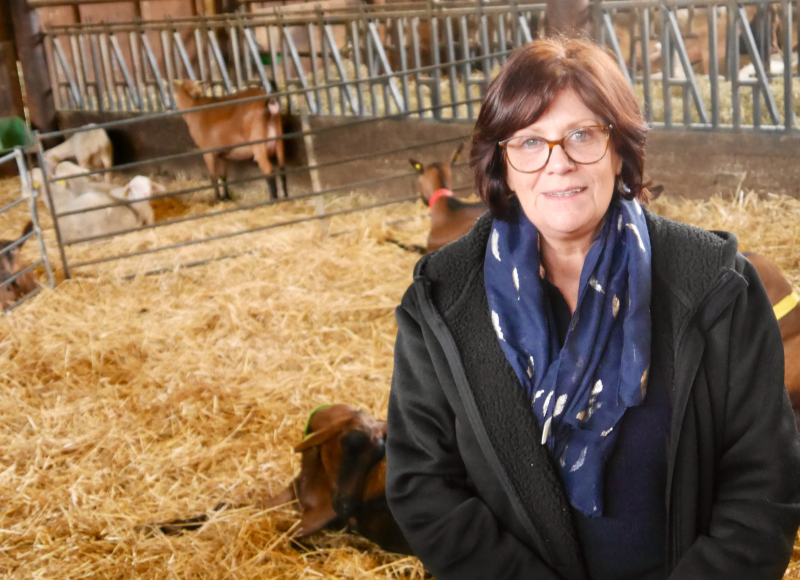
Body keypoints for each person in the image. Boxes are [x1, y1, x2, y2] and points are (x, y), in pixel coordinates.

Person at [385, 37, 800, 580]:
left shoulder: (718, 287)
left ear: (620, 148)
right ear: (502, 163)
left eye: (582, 135)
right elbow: (422, 483)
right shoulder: (441, 302)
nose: (558, 164)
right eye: (530, 142)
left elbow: (764, 480)